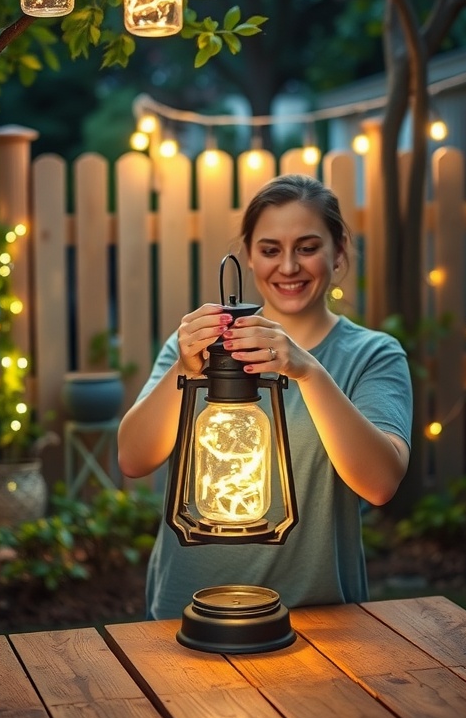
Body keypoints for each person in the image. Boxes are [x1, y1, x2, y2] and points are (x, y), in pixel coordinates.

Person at [118, 173, 412, 620]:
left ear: (338, 254)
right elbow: (133, 460)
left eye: (308, 248)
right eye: (270, 250)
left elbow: (380, 483)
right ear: (249, 260)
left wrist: (308, 371)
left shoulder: (372, 355)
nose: (289, 267)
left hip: (318, 614)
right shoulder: (196, 349)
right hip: (187, 608)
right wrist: (184, 368)